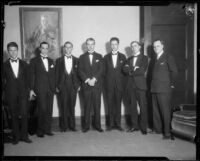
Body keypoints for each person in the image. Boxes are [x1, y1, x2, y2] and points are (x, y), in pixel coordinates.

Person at [3, 42, 32, 144]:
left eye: (15, 50)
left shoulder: (24, 64)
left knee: (24, 115)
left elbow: (29, 79)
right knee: (14, 115)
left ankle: (24, 136)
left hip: (23, 93)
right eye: (11, 50)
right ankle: (16, 137)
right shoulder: (4, 65)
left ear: (17, 50)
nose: (13, 52)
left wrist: (30, 90)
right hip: (11, 94)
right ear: (8, 52)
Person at [151, 39, 178, 139]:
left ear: (162, 46)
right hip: (154, 88)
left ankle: (167, 133)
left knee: (165, 111)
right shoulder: (155, 59)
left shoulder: (168, 56)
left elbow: (174, 71)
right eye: (154, 47)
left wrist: (171, 85)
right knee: (156, 111)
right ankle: (157, 129)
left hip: (164, 89)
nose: (155, 48)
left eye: (157, 46)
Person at [29, 41, 56, 137]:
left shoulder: (51, 61)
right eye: (43, 48)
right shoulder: (34, 61)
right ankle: (40, 131)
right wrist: (31, 89)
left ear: (48, 49)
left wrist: (54, 87)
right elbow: (32, 76)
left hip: (50, 89)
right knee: (42, 109)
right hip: (40, 89)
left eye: (46, 48)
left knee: (49, 109)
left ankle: (48, 129)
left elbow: (53, 76)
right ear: (40, 49)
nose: (45, 50)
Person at [78, 38, 104, 133]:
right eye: (88, 44)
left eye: (92, 44)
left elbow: (101, 69)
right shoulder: (82, 57)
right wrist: (88, 80)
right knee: (86, 106)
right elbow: (80, 70)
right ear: (86, 45)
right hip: (86, 86)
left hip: (97, 85)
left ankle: (98, 126)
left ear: (94, 44)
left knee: (97, 106)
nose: (90, 46)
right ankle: (86, 126)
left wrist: (94, 79)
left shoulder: (99, 56)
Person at [122, 41, 148, 134]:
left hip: (140, 86)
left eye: (135, 46)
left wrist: (131, 69)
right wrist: (134, 68)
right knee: (132, 107)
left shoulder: (145, 58)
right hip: (130, 86)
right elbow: (124, 69)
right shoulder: (128, 59)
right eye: (132, 46)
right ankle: (134, 126)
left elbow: (142, 70)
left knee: (143, 107)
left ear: (139, 47)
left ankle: (143, 127)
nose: (133, 48)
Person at [55, 41, 80, 132]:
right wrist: (57, 86)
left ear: (72, 48)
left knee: (72, 106)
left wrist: (78, 85)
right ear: (64, 48)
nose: (68, 49)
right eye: (66, 47)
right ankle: (64, 126)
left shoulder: (77, 60)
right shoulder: (58, 60)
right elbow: (56, 74)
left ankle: (72, 125)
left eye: (70, 47)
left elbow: (79, 74)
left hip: (73, 86)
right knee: (63, 106)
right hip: (63, 86)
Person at [103, 37, 126, 131]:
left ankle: (118, 124)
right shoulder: (105, 57)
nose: (113, 46)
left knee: (118, 105)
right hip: (109, 85)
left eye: (115, 44)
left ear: (118, 45)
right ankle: (111, 124)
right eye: (112, 44)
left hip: (119, 85)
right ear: (110, 45)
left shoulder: (123, 56)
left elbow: (125, 72)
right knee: (110, 105)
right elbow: (103, 72)